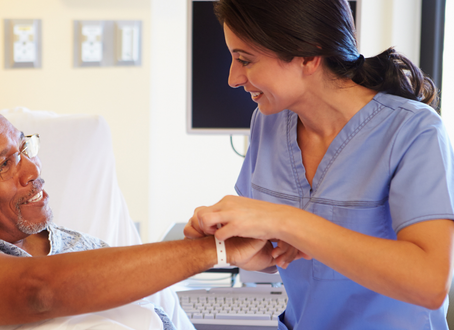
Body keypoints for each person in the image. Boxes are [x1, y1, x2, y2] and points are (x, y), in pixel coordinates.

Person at [0, 106, 274, 330]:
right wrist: (214, 250)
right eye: (4, 164)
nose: (32, 171)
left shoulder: (84, 250)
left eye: (25, 147)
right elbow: (35, 293)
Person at [184, 0, 454, 329]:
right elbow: (280, 249)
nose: (233, 78)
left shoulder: (414, 132)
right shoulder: (267, 124)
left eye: (245, 59)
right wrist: (243, 250)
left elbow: (430, 284)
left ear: (310, 56)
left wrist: (286, 221)